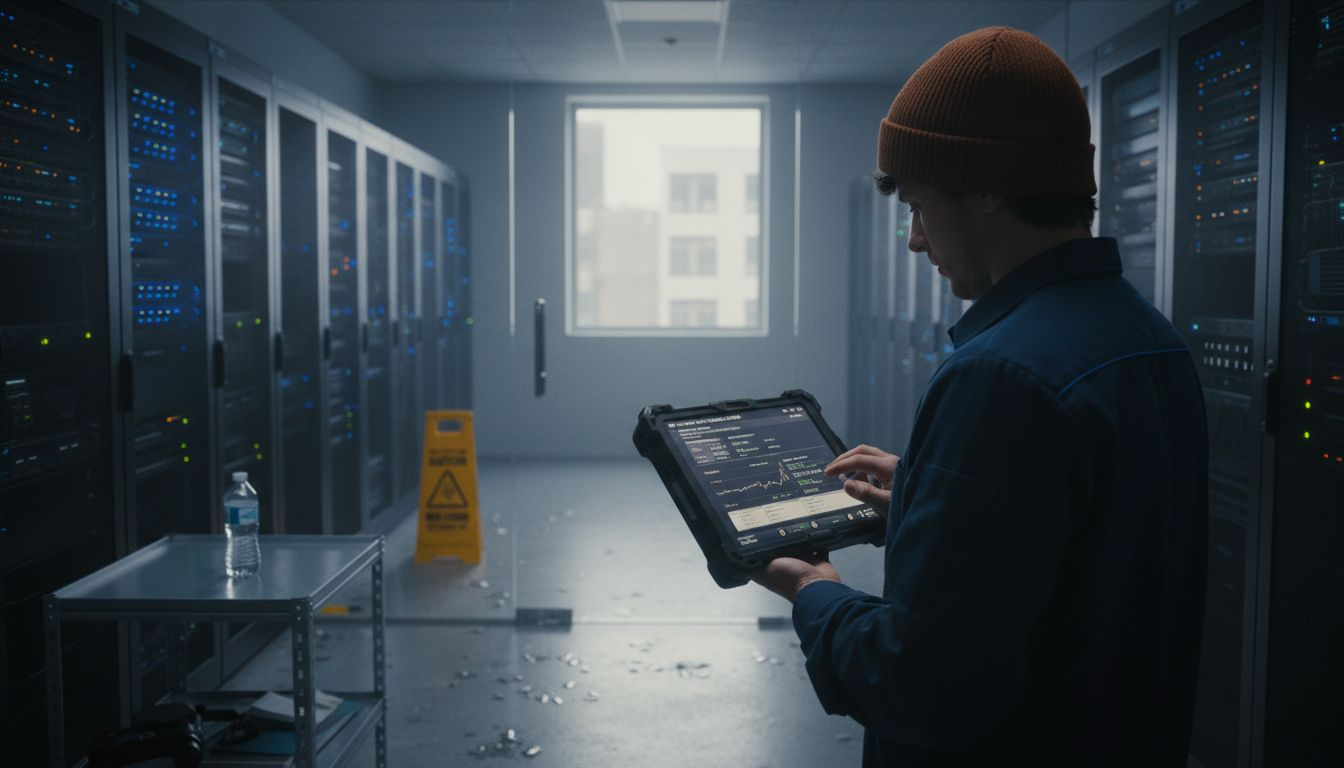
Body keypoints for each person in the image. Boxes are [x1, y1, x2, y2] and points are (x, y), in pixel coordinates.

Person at [752, 27, 1209, 767]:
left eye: (920, 206)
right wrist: (939, 502)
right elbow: (1083, 565)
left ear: (990, 186)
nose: (914, 241)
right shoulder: (1147, 337)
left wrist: (815, 591)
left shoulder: (1001, 376)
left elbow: (922, 687)